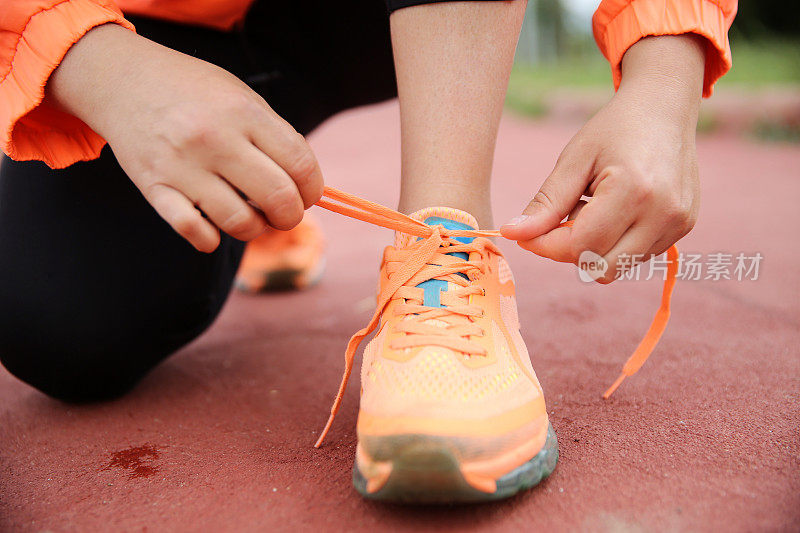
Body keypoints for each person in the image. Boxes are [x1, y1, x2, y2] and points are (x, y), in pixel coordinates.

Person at [0, 0, 736, 502]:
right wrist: (94, 61)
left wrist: (666, 63)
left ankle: (445, 242)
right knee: (57, 317)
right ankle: (262, 200)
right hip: (149, 26)